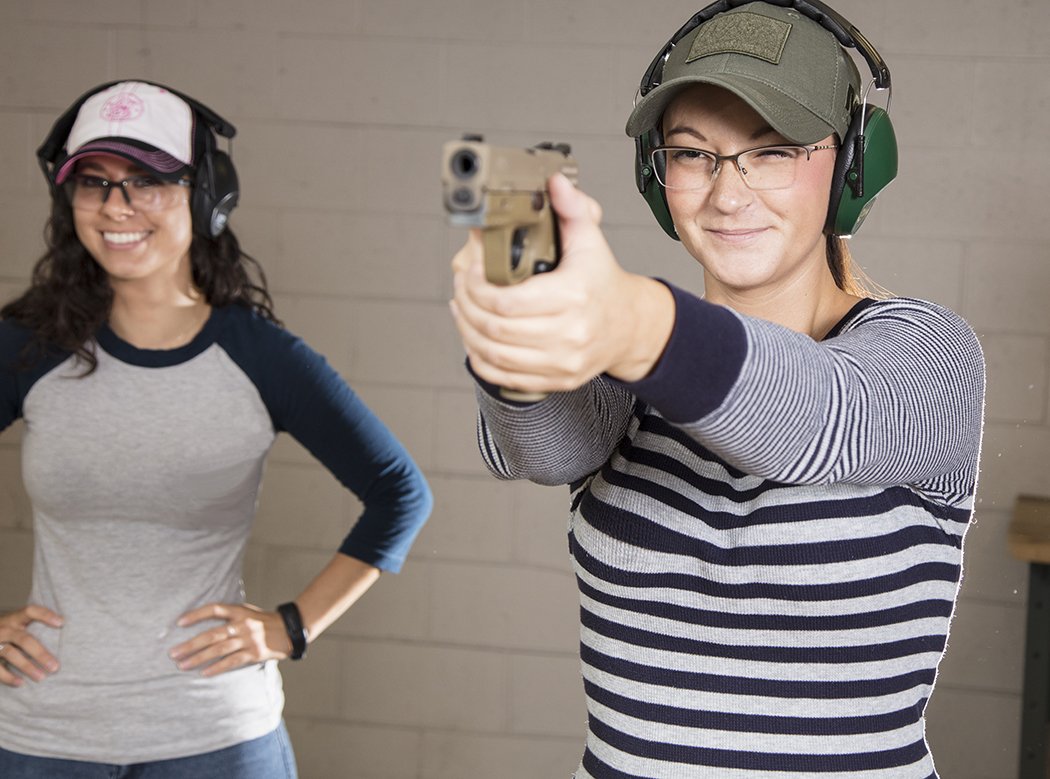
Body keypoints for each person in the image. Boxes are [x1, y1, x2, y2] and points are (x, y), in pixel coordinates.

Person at [449, 2, 984, 777]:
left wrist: (635, 321)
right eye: (695, 154)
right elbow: (546, 444)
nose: (727, 196)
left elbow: (814, 421)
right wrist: (517, 326)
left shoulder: (929, 357)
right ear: (654, 171)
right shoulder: (628, 363)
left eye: (772, 153)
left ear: (853, 167)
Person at [0, 80, 432, 778]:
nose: (117, 206)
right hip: (46, 733)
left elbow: (400, 492)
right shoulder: (30, 345)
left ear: (206, 196)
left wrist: (293, 627)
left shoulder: (260, 356)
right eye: (94, 182)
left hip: (215, 737)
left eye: (148, 180)